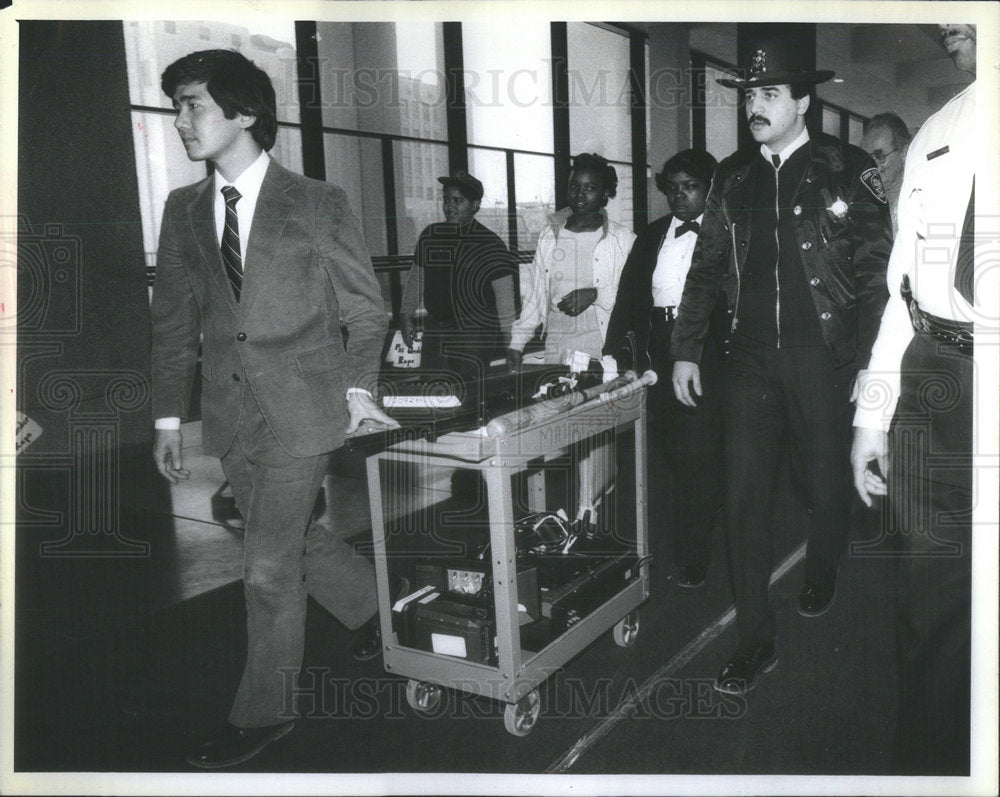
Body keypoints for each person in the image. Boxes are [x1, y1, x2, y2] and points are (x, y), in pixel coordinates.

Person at [150, 49, 399, 768]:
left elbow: (365, 309)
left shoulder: (317, 202)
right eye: (176, 107)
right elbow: (172, 322)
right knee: (287, 537)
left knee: (266, 568)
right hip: (231, 415)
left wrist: (360, 391)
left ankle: (265, 712)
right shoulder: (184, 209)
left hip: (308, 406)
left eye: (193, 104)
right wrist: (170, 418)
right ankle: (375, 608)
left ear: (246, 113)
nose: (180, 121)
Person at [670, 35, 892, 695]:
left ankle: (823, 564)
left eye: (767, 94)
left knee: (825, 481)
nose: (753, 107)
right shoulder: (731, 178)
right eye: (748, 96)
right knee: (743, 496)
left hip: (822, 357)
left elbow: (877, 273)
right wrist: (685, 346)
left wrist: (866, 362)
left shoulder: (845, 168)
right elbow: (706, 266)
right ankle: (754, 637)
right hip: (748, 362)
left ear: (802, 100)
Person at [851, 24, 986, 775]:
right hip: (937, 390)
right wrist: (873, 412)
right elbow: (903, 294)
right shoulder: (937, 130)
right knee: (930, 613)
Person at [604, 149, 723, 588]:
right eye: (672, 188)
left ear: (709, 188)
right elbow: (629, 299)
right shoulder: (653, 235)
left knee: (698, 457)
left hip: (708, 353)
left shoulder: (723, 232)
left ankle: (693, 553)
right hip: (657, 348)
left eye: (689, 186)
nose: (679, 196)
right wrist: (616, 355)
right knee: (666, 454)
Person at [508, 153, 637, 530]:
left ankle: (586, 511)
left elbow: (631, 299)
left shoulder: (622, 239)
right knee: (561, 431)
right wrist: (517, 343)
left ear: (607, 194)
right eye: (574, 187)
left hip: (599, 345)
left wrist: (594, 294)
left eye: (591, 188)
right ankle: (580, 503)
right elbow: (534, 297)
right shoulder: (550, 235)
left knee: (590, 428)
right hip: (559, 347)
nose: (580, 195)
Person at [398, 170, 519, 379]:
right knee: (432, 388)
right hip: (436, 328)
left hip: (474, 332)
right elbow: (417, 278)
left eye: (458, 201)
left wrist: (511, 342)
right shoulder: (431, 235)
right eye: (446, 200)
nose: (450, 207)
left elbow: (504, 298)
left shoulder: (490, 243)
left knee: (468, 394)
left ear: (475, 205)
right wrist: (405, 315)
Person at [859, 112, 912, 235]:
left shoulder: (918, 203)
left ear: (904, 152)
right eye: (866, 158)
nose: (870, 165)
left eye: (879, 156)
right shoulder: (861, 204)